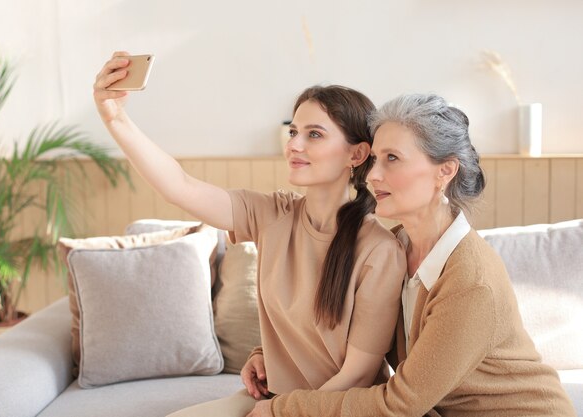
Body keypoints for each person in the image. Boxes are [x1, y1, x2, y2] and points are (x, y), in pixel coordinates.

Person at [93, 52, 406, 417]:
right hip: (273, 400)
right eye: (293, 132)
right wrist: (114, 116)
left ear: (357, 154)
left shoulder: (380, 251)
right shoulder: (273, 214)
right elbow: (179, 186)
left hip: (336, 408)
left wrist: (282, 412)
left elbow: (359, 373)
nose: (294, 145)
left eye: (314, 135)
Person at [246, 93, 577, 417]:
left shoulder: (471, 281)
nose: (373, 175)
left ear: (444, 172)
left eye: (392, 158)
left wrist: (281, 410)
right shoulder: (389, 249)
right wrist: (268, 355)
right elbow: (335, 322)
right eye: (374, 159)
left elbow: (400, 404)